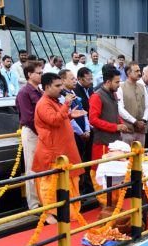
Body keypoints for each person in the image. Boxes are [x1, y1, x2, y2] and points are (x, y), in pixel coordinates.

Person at [32, 72, 86, 225]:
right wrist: (67, 105)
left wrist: (70, 116)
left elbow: (59, 118)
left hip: (64, 151)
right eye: (57, 86)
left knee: (69, 181)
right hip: (53, 153)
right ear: (47, 87)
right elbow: (54, 120)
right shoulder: (43, 103)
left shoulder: (54, 101)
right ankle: (49, 213)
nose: (61, 88)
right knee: (50, 184)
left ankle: (67, 212)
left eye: (61, 85)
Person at [89, 65, 129, 204]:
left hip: (114, 142)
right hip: (102, 143)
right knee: (100, 172)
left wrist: (120, 123)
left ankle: (115, 203)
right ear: (108, 82)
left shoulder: (113, 94)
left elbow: (115, 113)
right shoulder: (96, 96)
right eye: (117, 82)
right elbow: (93, 120)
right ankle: (106, 204)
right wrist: (115, 126)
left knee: (115, 173)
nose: (119, 85)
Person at [15, 61, 44, 210]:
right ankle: (33, 204)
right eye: (38, 73)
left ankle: (43, 199)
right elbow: (28, 118)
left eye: (41, 72)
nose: (41, 75)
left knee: (42, 168)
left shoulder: (39, 91)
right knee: (32, 167)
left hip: (41, 132)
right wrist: (42, 132)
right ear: (29, 74)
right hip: (32, 132)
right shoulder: (24, 92)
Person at [58, 69, 90, 173]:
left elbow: (83, 112)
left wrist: (87, 129)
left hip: (83, 134)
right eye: (72, 79)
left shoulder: (73, 93)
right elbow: (68, 118)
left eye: (75, 79)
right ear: (63, 81)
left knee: (82, 163)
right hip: (74, 135)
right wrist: (81, 133)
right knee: (73, 166)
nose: (75, 81)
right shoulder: (62, 97)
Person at [74, 67, 95, 194]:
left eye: (92, 78)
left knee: (89, 158)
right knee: (80, 159)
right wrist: (84, 130)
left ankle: (88, 185)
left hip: (90, 128)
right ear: (80, 79)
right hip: (80, 131)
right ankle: (81, 188)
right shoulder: (75, 91)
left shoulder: (91, 89)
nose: (91, 81)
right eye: (88, 79)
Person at [117, 62, 148, 146]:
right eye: (136, 71)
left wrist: (143, 120)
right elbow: (120, 109)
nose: (139, 73)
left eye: (139, 71)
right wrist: (134, 122)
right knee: (126, 157)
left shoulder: (142, 87)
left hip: (141, 129)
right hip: (127, 130)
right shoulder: (120, 87)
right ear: (128, 73)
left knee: (140, 156)